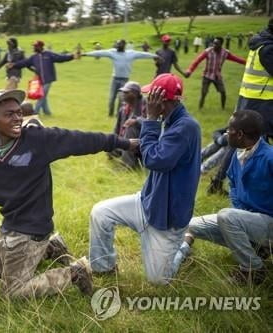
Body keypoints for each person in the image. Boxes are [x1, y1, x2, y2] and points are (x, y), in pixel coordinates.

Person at [0, 89, 138, 298]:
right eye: (9, 114)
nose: (17, 118)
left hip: (33, 227)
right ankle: (52, 247)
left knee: (11, 292)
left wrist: (124, 143)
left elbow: (81, 139)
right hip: (10, 223)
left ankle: (75, 273)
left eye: (19, 112)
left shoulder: (38, 140)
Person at [89, 74, 201, 284]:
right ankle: (104, 268)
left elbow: (155, 161)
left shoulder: (185, 127)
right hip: (147, 203)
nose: (148, 100)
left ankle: (184, 244)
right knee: (100, 213)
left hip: (166, 218)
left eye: (152, 96)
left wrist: (150, 120)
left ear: (163, 100)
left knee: (158, 280)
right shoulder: (170, 121)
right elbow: (155, 150)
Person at [174, 110, 272, 285]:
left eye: (229, 129)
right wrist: (244, 214)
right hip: (248, 221)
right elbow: (233, 185)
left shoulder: (269, 157)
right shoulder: (238, 153)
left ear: (240, 134)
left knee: (227, 216)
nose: (226, 133)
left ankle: (253, 270)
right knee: (191, 225)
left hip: (269, 224)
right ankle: (257, 248)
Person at [83, 39, 158, 117]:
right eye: (117, 44)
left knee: (122, 99)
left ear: (124, 45)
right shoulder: (113, 52)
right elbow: (100, 52)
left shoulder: (130, 53)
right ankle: (110, 114)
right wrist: (86, 54)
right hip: (115, 79)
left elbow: (142, 54)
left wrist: (155, 56)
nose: (118, 46)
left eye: (120, 44)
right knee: (112, 98)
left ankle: (118, 114)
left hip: (124, 79)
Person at [9, 40, 77, 116]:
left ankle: (35, 112)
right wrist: (14, 65)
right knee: (43, 95)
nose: (34, 48)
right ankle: (47, 112)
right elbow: (24, 62)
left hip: (48, 79)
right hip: (39, 80)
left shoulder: (49, 54)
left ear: (40, 46)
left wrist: (71, 56)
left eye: (35, 46)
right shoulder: (34, 57)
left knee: (41, 95)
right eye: (34, 46)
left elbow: (60, 58)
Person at [237, 18, 273, 141]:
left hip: (251, 100)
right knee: (252, 144)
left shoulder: (261, 43)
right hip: (261, 103)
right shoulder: (268, 49)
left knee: (245, 142)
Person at [185, 37, 246, 110]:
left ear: (221, 45)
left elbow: (237, 59)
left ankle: (223, 109)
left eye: (216, 44)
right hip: (207, 75)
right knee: (203, 93)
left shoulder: (225, 53)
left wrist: (247, 62)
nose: (214, 45)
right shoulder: (208, 51)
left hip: (217, 76)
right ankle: (200, 109)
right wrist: (190, 70)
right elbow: (197, 61)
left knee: (223, 93)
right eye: (213, 43)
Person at [110, 81, 146, 169]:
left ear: (135, 94)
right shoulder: (123, 109)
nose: (123, 94)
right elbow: (117, 129)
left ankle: (127, 165)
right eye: (122, 92)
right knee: (109, 146)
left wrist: (136, 121)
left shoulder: (146, 104)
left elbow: (153, 122)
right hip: (125, 143)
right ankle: (129, 157)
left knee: (131, 127)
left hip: (142, 143)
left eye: (126, 92)